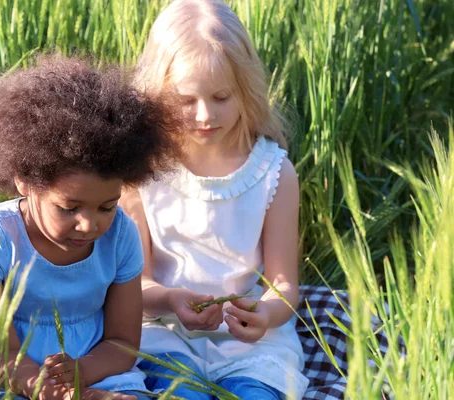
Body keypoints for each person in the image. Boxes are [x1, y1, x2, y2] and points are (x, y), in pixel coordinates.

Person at [0, 54, 179, 400]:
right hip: (7, 371)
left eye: (107, 206)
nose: (89, 224)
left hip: (94, 364)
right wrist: (47, 389)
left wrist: (82, 376)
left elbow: (123, 343)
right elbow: (1, 353)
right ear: (25, 182)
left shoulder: (120, 236)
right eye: (69, 208)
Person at [120, 0, 310, 399]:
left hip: (252, 340)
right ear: (156, 92)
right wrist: (172, 299)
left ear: (246, 90)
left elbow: (283, 285)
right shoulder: (142, 172)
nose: (205, 115)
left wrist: (266, 314)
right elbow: (137, 284)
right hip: (166, 332)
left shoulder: (272, 172)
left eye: (221, 97)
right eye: (186, 100)